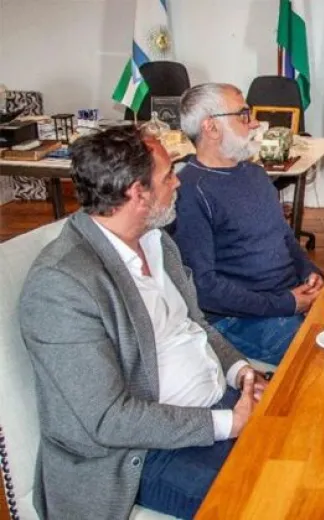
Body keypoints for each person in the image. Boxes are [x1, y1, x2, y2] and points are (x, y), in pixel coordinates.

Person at [19, 126, 268, 519]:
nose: (178, 183)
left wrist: (241, 372)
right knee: (273, 499)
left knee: (315, 447)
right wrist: (227, 424)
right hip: (138, 458)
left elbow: (195, 325)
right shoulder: (62, 285)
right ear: (138, 193)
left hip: (216, 408)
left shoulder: (156, 240)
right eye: (168, 176)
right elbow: (109, 420)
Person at [172, 83, 324, 365]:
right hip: (238, 319)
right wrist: (286, 303)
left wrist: (309, 273)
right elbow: (205, 288)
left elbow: (284, 237)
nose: (255, 123)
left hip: (287, 299)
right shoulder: (190, 191)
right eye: (243, 115)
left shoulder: (254, 173)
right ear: (211, 127)